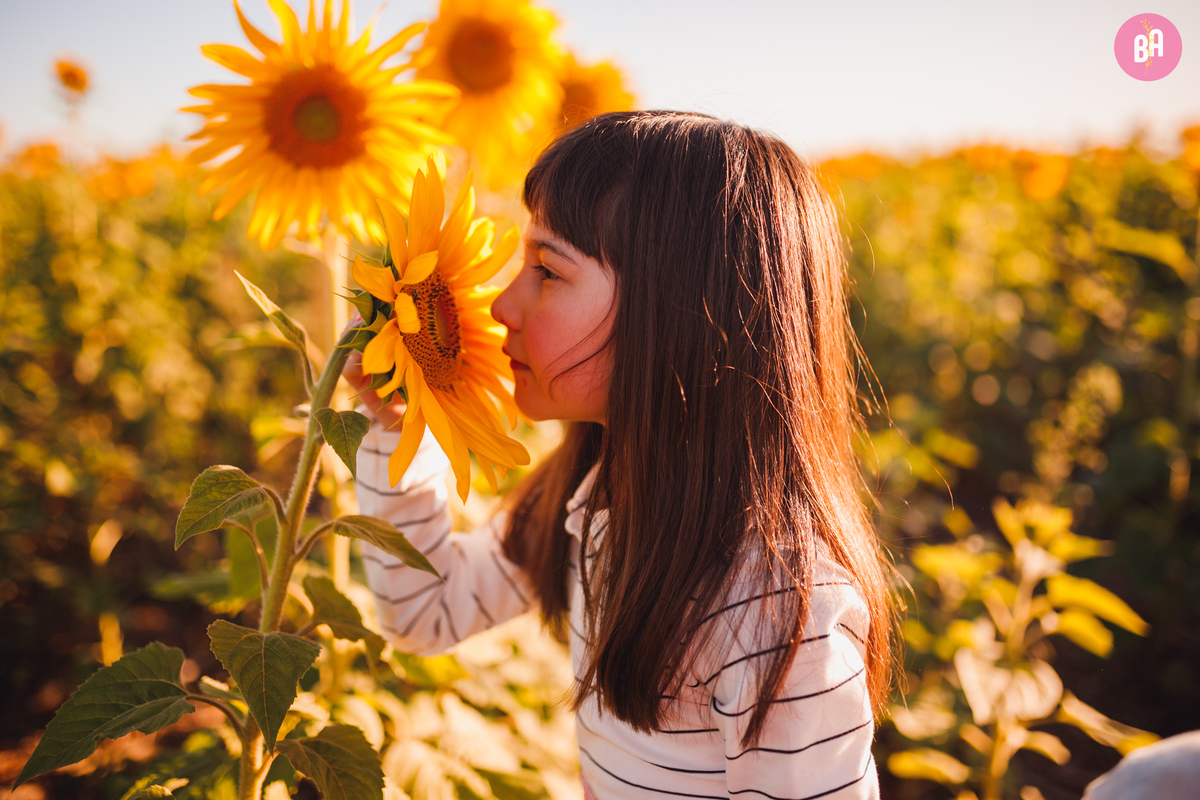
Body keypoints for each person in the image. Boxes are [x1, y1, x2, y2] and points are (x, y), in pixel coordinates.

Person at [346, 110, 896, 799]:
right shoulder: (592, 498)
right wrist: (399, 419)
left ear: (679, 316)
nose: (501, 305)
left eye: (546, 270)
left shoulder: (778, 616)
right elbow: (428, 611)